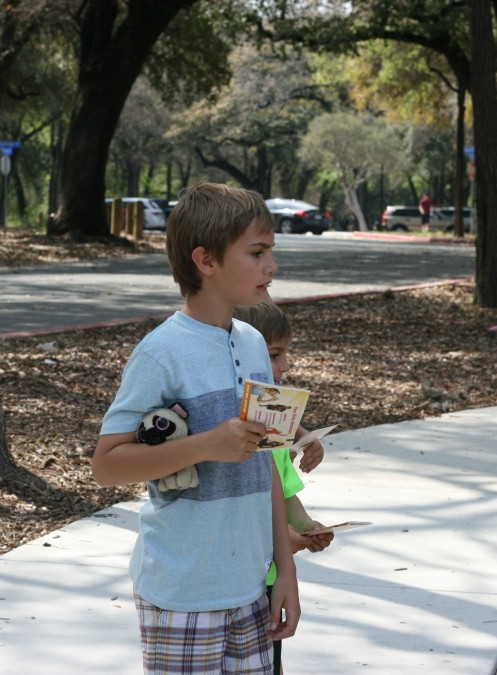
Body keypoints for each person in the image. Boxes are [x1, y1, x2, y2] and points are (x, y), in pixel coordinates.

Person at [93, 182, 300, 674]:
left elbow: (269, 458)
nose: (271, 266)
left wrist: (284, 569)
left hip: (252, 588)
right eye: (257, 252)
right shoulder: (160, 352)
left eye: (271, 250)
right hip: (182, 594)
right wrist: (208, 444)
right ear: (206, 261)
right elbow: (106, 465)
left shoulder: (254, 344)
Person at [235, 301, 334, 675]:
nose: (287, 366)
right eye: (275, 355)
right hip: (238, 582)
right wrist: (282, 542)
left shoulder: (274, 437)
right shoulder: (229, 437)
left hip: (270, 586)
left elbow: (287, 499)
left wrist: (307, 528)